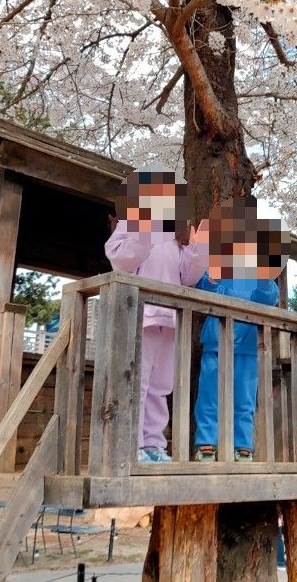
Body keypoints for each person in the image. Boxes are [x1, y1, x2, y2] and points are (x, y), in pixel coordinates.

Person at [105, 168, 208, 463]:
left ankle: (153, 444)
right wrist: (143, 229)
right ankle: (132, 444)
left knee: (162, 385)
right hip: (141, 317)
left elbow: (187, 275)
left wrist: (199, 247)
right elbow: (121, 260)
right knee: (138, 382)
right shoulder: (129, 225)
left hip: (169, 321)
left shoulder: (176, 239)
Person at [194, 197, 290, 462]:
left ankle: (243, 446)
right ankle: (206, 443)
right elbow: (204, 290)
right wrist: (212, 276)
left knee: (245, 399)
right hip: (215, 339)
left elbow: (267, 298)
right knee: (209, 396)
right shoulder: (220, 262)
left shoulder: (260, 269)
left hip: (248, 344)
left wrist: (266, 277)